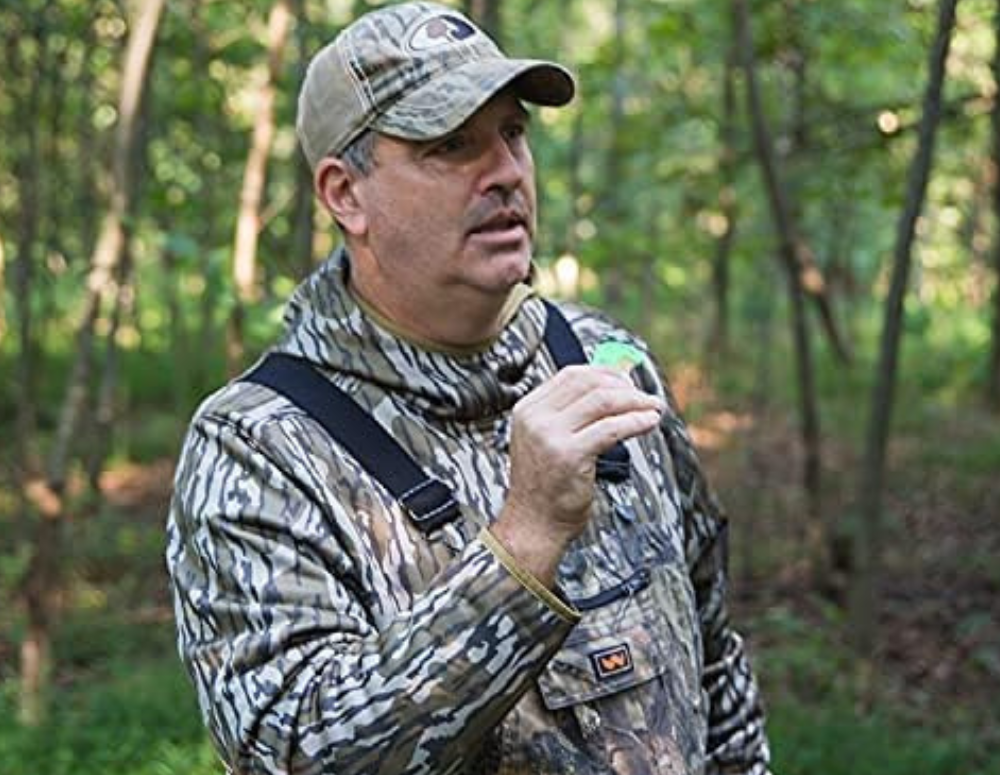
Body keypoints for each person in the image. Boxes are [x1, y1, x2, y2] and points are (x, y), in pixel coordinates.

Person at [166, 2, 773, 774]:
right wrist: (522, 543)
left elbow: (715, 659)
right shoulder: (259, 446)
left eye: (513, 133)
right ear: (344, 194)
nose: (506, 172)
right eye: (451, 145)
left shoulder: (605, 362)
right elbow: (292, 752)